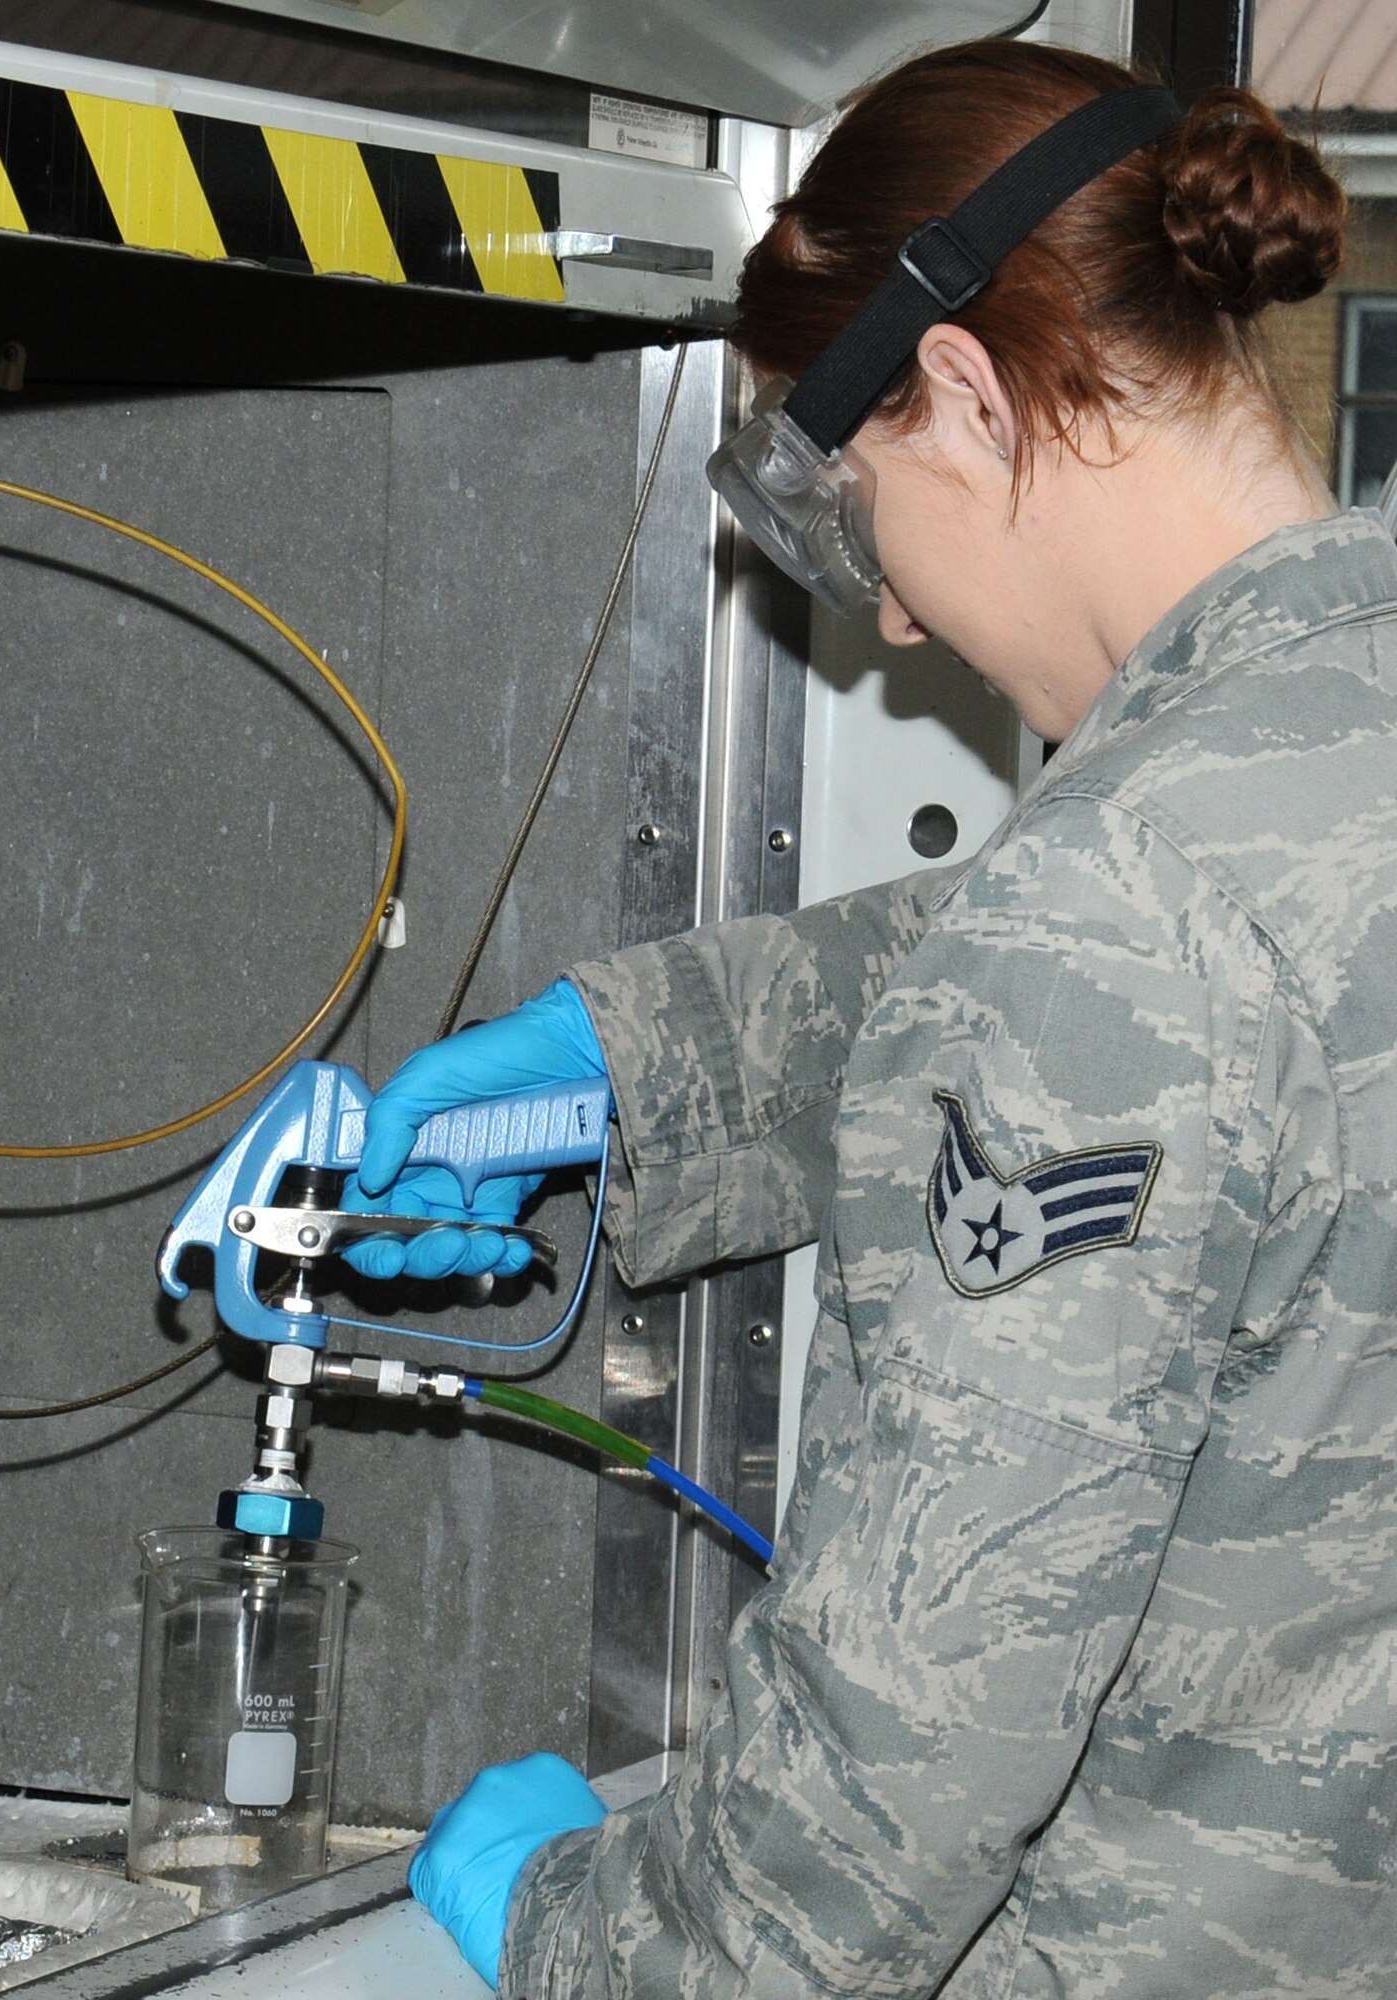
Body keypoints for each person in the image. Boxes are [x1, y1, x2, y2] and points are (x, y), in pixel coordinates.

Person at [342, 35, 1397, 1999]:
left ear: (971, 392)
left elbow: (887, 1800)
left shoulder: (1126, 901)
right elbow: (1223, 973)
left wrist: (579, 1935)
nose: (894, 616)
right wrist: (639, 1069)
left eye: (861, 514)